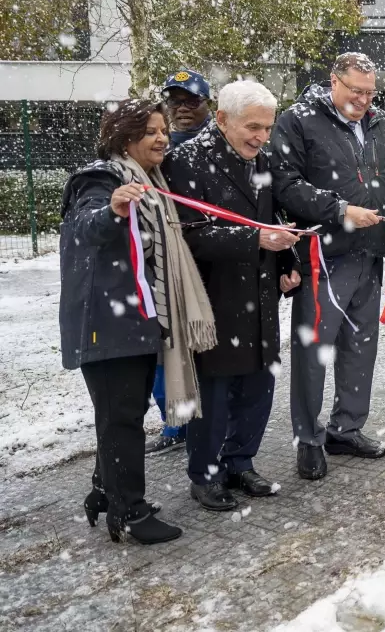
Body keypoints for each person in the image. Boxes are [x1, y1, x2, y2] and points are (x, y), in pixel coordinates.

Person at [59, 99, 217, 544]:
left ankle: (106, 492)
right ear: (124, 137)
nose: (162, 137)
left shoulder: (150, 180)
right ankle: (130, 512)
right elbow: (84, 228)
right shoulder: (100, 179)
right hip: (107, 325)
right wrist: (111, 209)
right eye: (150, 131)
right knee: (121, 418)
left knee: (121, 414)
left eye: (163, 129)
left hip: (136, 321)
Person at [270, 52, 385, 479]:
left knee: (361, 349)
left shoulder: (383, 125)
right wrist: (339, 210)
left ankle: (346, 428)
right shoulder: (297, 120)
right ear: (333, 81)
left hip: (371, 252)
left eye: (370, 91)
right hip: (323, 254)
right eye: (356, 90)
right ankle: (309, 437)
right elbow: (284, 183)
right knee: (314, 351)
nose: (363, 99)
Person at [165, 80, 301, 511]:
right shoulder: (185, 161)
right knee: (216, 391)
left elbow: (269, 218)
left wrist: (287, 263)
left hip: (258, 295)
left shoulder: (259, 161)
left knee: (258, 385)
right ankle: (205, 474)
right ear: (221, 119)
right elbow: (188, 236)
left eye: (268, 127)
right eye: (253, 127)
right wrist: (257, 241)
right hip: (215, 297)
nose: (262, 137)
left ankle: (240, 461)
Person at [145, 68, 212, 454]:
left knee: (203, 348)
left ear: (208, 105)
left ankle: (203, 424)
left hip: (205, 261)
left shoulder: (218, 145)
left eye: (192, 101)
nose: (183, 108)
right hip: (166, 261)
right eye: (175, 101)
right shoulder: (156, 146)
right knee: (164, 345)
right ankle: (176, 423)